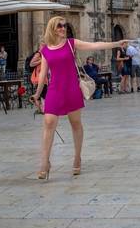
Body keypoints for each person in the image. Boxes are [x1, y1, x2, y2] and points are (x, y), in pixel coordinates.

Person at [34, 16, 127, 180]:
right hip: (55, 90)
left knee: (75, 123)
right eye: (60, 26)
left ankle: (77, 157)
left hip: (71, 88)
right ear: (52, 28)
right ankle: (44, 163)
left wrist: (116, 44)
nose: (63, 28)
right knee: (48, 123)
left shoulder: (71, 43)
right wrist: (37, 93)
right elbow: (42, 74)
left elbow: (95, 45)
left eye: (64, 25)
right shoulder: (46, 50)